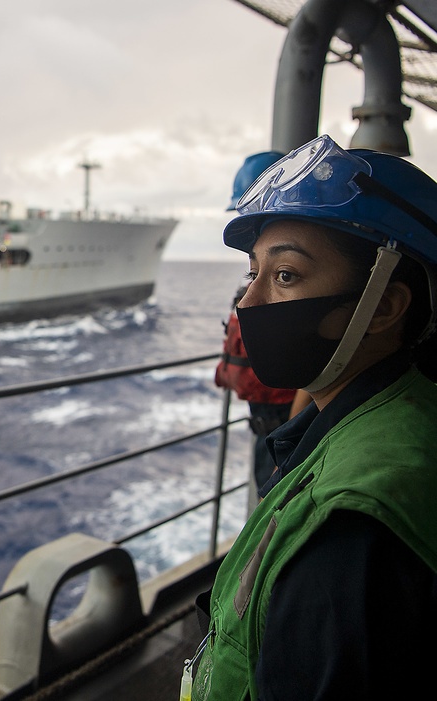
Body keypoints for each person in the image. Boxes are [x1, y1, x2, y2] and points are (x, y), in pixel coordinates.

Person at [189, 134, 437, 700]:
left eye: (286, 276)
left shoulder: (350, 523)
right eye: (254, 273)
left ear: (385, 306)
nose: (247, 303)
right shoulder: (392, 414)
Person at [215, 151, 296, 510]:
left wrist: (294, 441)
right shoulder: (260, 283)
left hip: (286, 429)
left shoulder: (298, 291)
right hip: (267, 428)